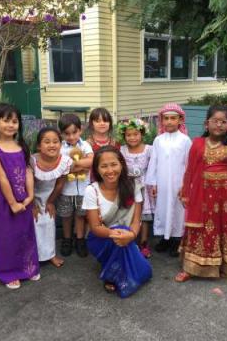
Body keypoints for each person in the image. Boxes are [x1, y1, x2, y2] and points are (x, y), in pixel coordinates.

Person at [175, 105, 227, 282]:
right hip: (202, 196)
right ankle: (190, 268)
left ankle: (222, 266)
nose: (219, 125)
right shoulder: (197, 144)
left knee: (223, 229)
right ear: (206, 124)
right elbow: (190, 170)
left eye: (223, 122)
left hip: (225, 199)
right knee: (199, 229)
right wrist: (185, 192)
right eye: (215, 121)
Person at [82, 146, 152, 298]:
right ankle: (111, 275)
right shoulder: (91, 191)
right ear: (97, 169)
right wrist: (120, 234)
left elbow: (136, 221)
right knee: (120, 235)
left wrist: (131, 235)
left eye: (114, 164)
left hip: (127, 236)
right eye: (104, 166)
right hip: (101, 238)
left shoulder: (133, 186)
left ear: (121, 164)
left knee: (146, 272)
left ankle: (114, 266)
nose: (110, 170)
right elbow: (95, 227)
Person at [0, 104, 40, 290]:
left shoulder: (21, 146)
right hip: (5, 201)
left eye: (15, 121)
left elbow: (27, 171)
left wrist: (30, 195)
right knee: (7, 237)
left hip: (24, 198)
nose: (11, 125)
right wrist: (13, 203)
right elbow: (2, 179)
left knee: (25, 234)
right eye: (6, 120)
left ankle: (28, 267)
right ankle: (8, 272)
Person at [145, 103, 192, 257]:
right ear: (162, 121)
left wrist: (186, 185)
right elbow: (154, 162)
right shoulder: (159, 140)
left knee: (178, 211)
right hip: (162, 184)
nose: (170, 122)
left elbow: (188, 164)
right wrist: (153, 183)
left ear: (180, 120)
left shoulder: (185, 140)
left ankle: (176, 240)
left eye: (173, 118)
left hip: (179, 184)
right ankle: (165, 238)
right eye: (166, 118)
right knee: (163, 209)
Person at [32, 127, 72, 267]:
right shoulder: (32, 161)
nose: (52, 145)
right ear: (38, 146)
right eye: (47, 142)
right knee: (35, 224)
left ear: (60, 145)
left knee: (49, 223)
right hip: (32, 197)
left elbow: (60, 184)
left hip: (50, 197)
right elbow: (27, 185)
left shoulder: (64, 161)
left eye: (55, 141)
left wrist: (50, 202)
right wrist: (32, 205)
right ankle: (34, 256)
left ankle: (50, 255)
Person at [57, 114, 93, 257]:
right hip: (66, 189)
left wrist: (72, 164)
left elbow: (90, 162)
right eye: (67, 134)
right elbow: (61, 167)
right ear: (62, 134)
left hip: (83, 189)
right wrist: (80, 165)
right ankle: (67, 240)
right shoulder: (60, 148)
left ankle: (80, 239)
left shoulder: (85, 145)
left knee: (80, 216)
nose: (71, 137)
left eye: (74, 132)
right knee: (66, 216)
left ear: (80, 130)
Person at [117, 118, 154, 258]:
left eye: (135, 134)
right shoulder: (122, 150)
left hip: (144, 186)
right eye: (128, 135)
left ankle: (144, 242)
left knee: (144, 216)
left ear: (142, 134)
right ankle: (129, 239)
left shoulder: (149, 149)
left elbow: (154, 167)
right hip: (128, 186)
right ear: (124, 136)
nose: (132, 137)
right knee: (129, 213)